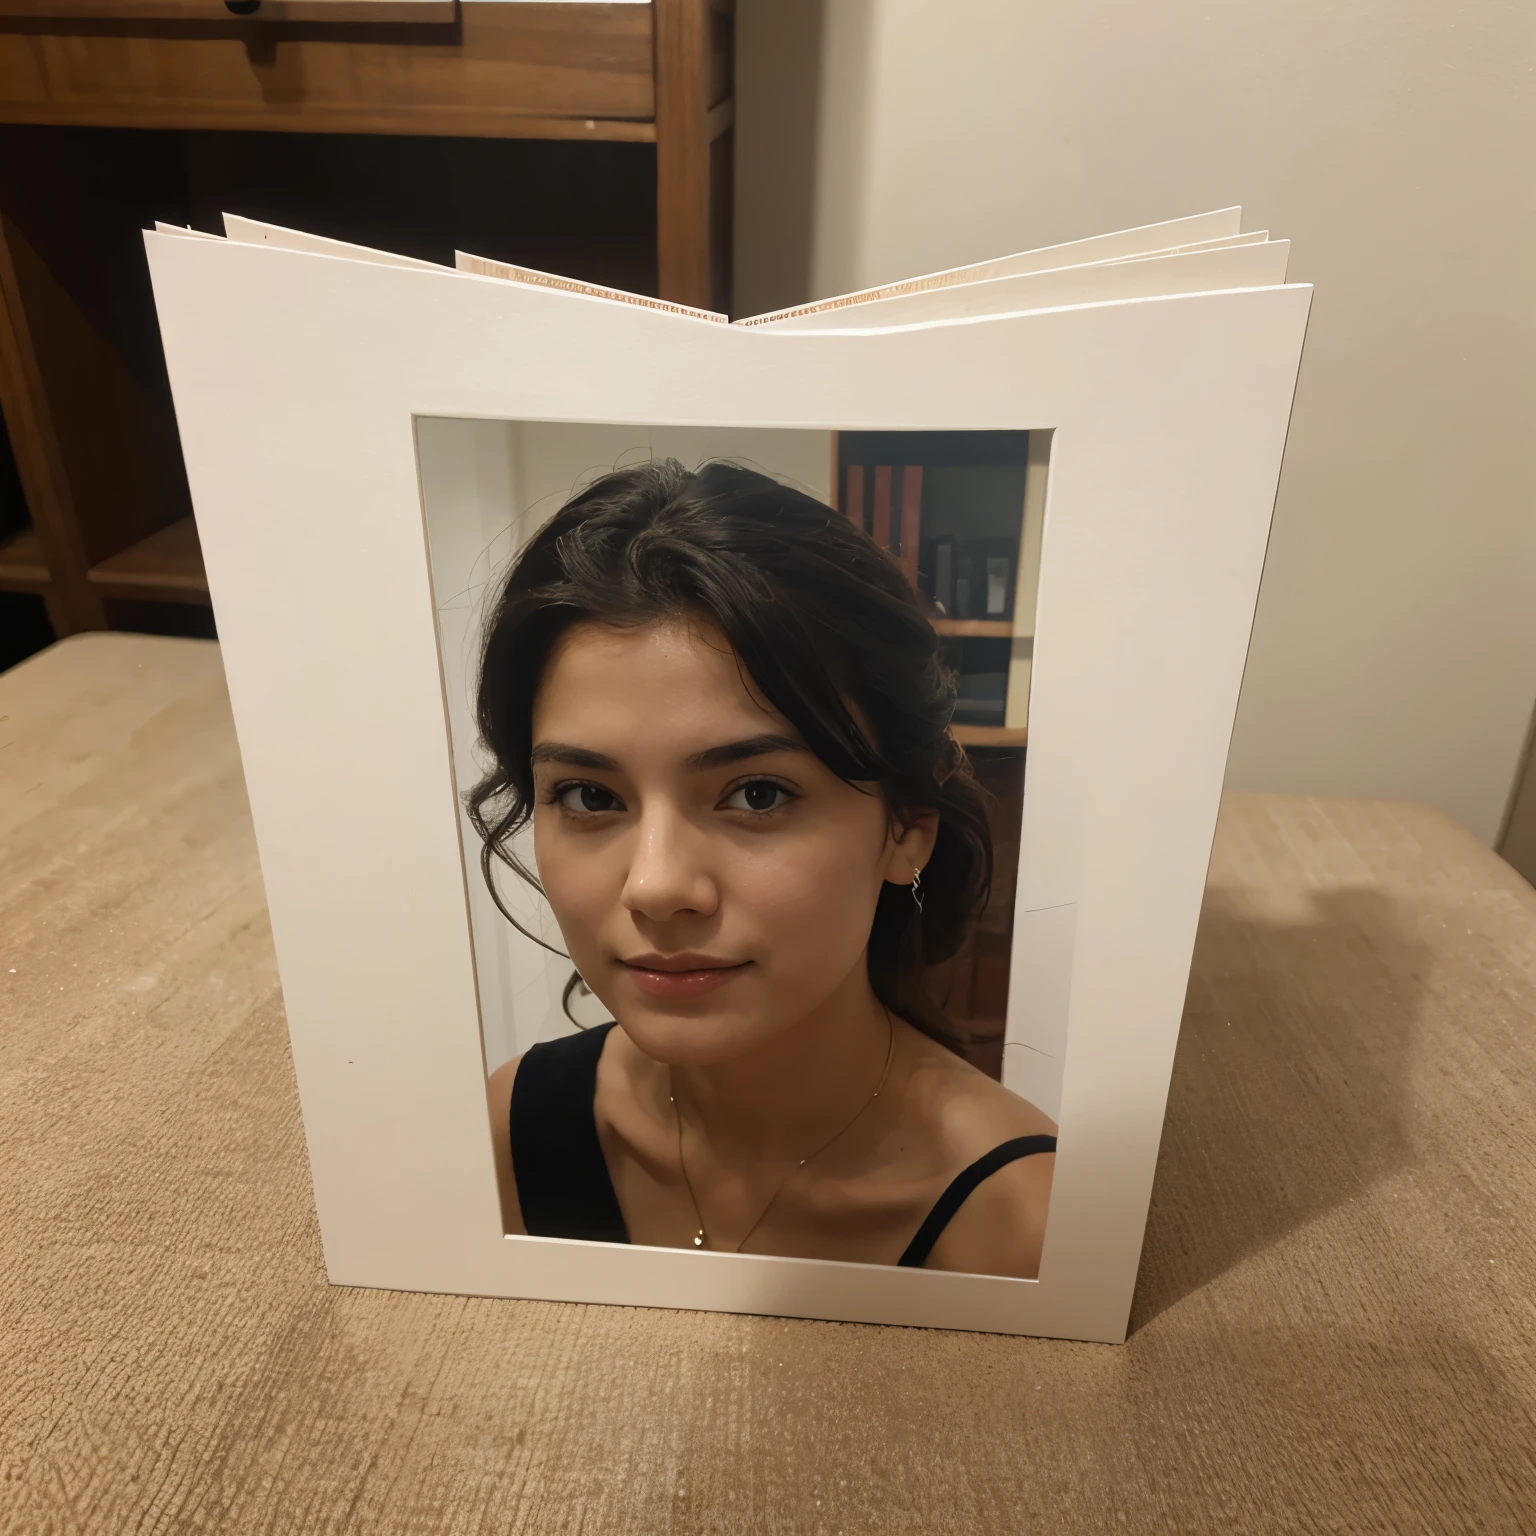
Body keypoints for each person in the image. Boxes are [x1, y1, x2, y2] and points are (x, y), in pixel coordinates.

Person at [473, 459, 1056, 1279]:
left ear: (908, 828)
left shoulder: (1027, 1225)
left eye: (755, 794)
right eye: (589, 796)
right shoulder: (505, 1137)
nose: (658, 887)